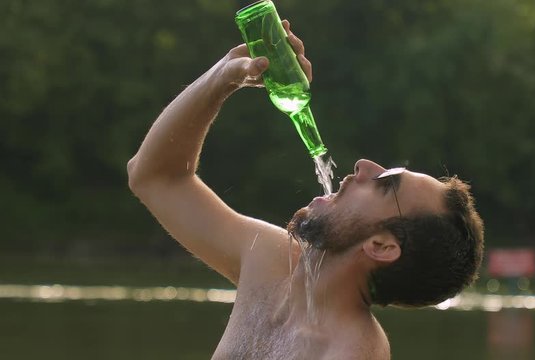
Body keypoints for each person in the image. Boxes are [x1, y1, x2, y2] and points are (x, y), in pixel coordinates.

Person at [127, 20, 484, 360]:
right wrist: (223, 77)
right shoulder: (270, 261)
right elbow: (155, 177)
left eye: (385, 184)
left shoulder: (352, 351)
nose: (363, 166)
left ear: (381, 246)